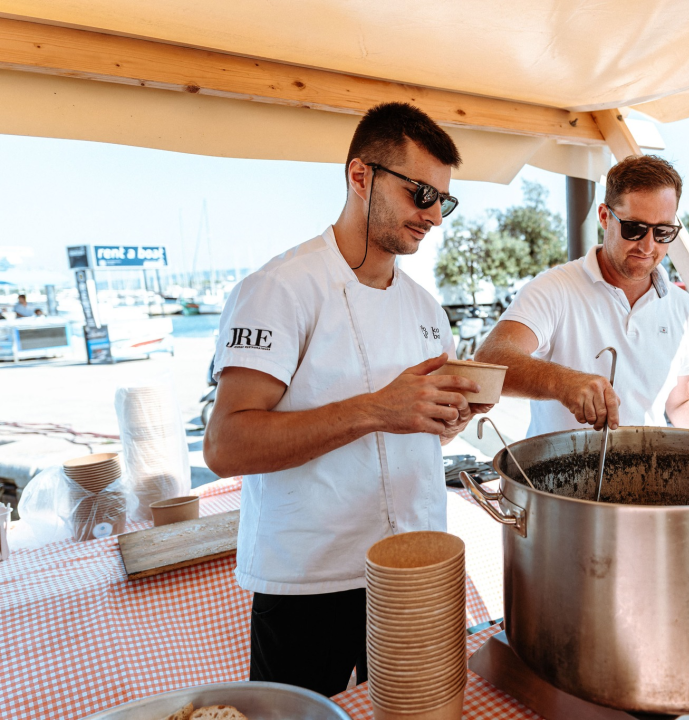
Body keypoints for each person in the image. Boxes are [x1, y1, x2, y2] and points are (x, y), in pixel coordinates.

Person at [203, 102, 489, 697]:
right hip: (312, 580)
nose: (433, 216)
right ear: (360, 176)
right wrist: (376, 408)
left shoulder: (426, 310)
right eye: (419, 193)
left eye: (443, 200)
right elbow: (225, 444)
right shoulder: (279, 289)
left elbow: (418, 435)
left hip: (416, 564)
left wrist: (449, 417)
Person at [474, 155, 689, 437]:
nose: (648, 246)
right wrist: (563, 382)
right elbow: (490, 361)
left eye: (663, 231)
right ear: (604, 217)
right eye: (634, 228)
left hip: (650, 474)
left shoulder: (680, 305)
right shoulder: (554, 288)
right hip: (555, 475)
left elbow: (683, 399)